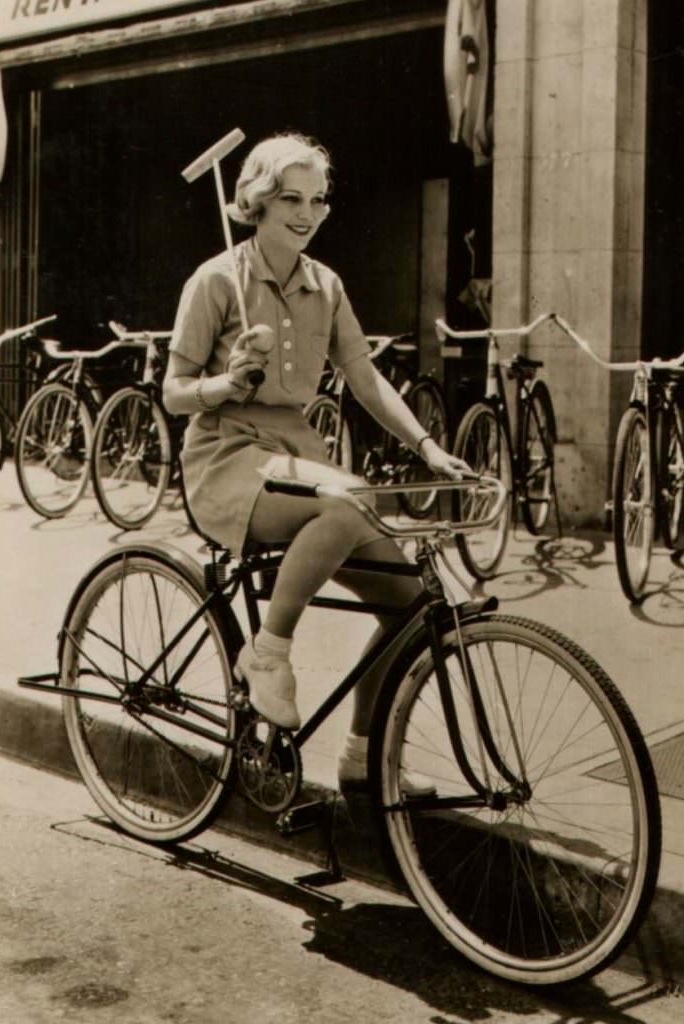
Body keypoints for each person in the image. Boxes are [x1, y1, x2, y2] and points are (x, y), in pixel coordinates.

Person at [163, 132, 469, 789]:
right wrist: (224, 385)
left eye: (317, 201)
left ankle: (362, 757)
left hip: (301, 460)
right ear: (256, 202)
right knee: (345, 499)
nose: (305, 213)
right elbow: (174, 392)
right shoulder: (216, 281)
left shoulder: (325, 285)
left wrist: (427, 445)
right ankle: (267, 654)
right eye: (289, 199)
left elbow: (364, 378)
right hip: (228, 460)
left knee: (411, 603)